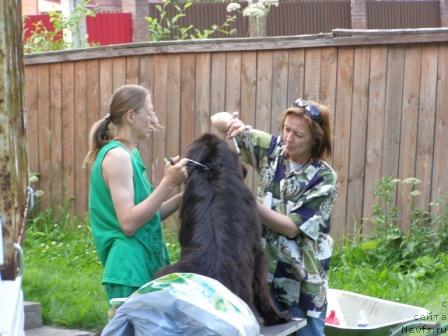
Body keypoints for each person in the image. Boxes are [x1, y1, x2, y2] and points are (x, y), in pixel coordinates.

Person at [211, 98, 338, 336]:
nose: (288, 138)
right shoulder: (273, 150)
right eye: (286, 129)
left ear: (316, 139)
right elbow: (215, 119)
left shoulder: (324, 178)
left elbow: (291, 227)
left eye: (298, 135)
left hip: (301, 280)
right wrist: (232, 123)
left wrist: (245, 198)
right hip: (262, 272)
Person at [83, 84, 188, 305]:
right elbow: (129, 223)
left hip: (143, 264)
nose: (153, 119)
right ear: (131, 116)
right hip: (129, 269)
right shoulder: (117, 157)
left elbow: (149, 215)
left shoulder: (132, 154)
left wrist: (184, 196)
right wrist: (168, 182)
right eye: (149, 113)